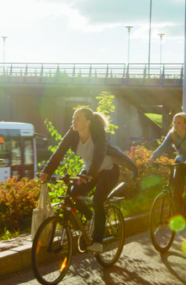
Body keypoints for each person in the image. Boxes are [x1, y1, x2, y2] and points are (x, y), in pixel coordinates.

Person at [39, 108, 137, 253]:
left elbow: (98, 156)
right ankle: (91, 219)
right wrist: (46, 172)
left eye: (78, 118)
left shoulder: (99, 133)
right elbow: (59, 153)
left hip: (108, 170)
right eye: (73, 118)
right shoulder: (72, 133)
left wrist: (90, 174)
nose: (74, 121)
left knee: (98, 201)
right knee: (73, 195)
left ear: (88, 122)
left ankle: (98, 242)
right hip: (89, 171)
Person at [147, 112, 186, 217]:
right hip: (181, 162)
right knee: (176, 184)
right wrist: (152, 158)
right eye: (174, 122)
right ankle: (178, 209)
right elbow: (163, 147)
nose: (175, 125)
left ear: (185, 125)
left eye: (179, 123)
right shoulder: (172, 135)